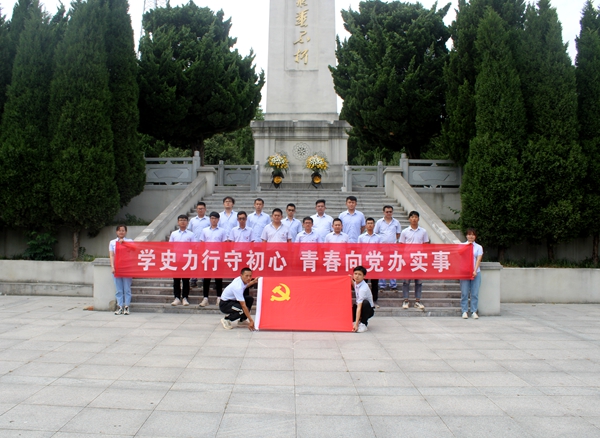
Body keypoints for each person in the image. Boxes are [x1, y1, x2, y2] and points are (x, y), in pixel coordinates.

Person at [399, 211, 429, 310]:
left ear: (418, 219)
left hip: (419, 260)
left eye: (416, 217)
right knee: (406, 281)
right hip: (407, 259)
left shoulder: (423, 231)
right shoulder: (405, 231)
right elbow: (401, 246)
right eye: (412, 217)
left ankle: (417, 301)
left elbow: (426, 245)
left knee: (419, 281)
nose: (414, 219)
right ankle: (406, 300)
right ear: (409, 219)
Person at [199, 212, 228, 307]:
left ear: (218, 220)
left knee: (218, 278)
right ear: (210, 219)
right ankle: (205, 298)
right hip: (207, 257)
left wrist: (223, 257)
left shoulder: (222, 231)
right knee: (206, 279)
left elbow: (224, 245)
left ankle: (219, 297)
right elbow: (202, 244)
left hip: (218, 257)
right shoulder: (204, 230)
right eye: (212, 218)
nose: (213, 220)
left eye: (215, 218)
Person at [169, 215, 197, 306]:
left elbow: (194, 247)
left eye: (184, 220)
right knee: (176, 280)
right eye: (181, 220)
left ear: (187, 222)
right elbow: (170, 246)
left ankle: (185, 297)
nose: (182, 222)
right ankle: (177, 297)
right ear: (178, 222)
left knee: (186, 280)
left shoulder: (191, 234)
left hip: (186, 260)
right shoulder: (174, 234)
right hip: (176, 260)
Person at [374, 205, 402, 291]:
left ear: (392, 212)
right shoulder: (379, 222)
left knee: (392, 265)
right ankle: (382, 285)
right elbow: (376, 233)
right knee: (382, 265)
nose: (388, 213)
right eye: (387, 212)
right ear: (384, 212)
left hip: (393, 247)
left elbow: (398, 234)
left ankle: (393, 284)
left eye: (390, 212)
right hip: (382, 248)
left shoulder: (396, 222)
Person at [109, 225, 133, 315]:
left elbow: (134, 249)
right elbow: (112, 255)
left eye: (123, 230)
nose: (121, 232)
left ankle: (127, 306)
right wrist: (112, 267)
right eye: (119, 230)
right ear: (116, 232)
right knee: (118, 289)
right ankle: (119, 306)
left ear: (125, 232)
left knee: (127, 289)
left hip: (127, 268)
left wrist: (125, 243)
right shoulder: (112, 242)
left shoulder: (130, 241)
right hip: (117, 268)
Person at [358, 218, 381, 308]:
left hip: (375, 262)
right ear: (366, 225)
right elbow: (359, 249)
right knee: (363, 282)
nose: (370, 225)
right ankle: (362, 300)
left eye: (371, 223)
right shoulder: (361, 237)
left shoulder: (378, 237)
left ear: (374, 225)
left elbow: (380, 249)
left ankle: (374, 301)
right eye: (368, 223)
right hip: (364, 262)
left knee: (375, 283)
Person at [460, 228, 483, 319]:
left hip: (475, 272)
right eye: (469, 234)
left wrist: (475, 270)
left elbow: (478, 259)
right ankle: (464, 311)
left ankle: (474, 311)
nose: (471, 236)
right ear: (466, 236)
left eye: (473, 235)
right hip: (464, 273)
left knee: (474, 293)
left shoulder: (478, 247)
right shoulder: (462, 246)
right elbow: (459, 257)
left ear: (475, 236)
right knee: (464, 293)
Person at [188, 202, 210, 288]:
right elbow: (189, 231)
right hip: (194, 245)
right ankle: (193, 279)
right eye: (199, 208)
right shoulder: (193, 220)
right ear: (196, 209)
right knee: (194, 262)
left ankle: (205, 279)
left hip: (205, 245)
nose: (200, 210)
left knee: (205, 262)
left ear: (205, 209)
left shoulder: (209, 220)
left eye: (202, 208)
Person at [351, 266, 375, 333]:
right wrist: (350, 279)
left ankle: (363, 324)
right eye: (355, 274)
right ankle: (357, 321)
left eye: (359, 274)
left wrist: (356, 324)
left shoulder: (363, 288)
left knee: (365, 303)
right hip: (359, 307)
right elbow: (354, 285)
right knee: (353, 307)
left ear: (364, 276)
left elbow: (359, 307)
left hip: (368, 310)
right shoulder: (357, 283)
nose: (357, 276)